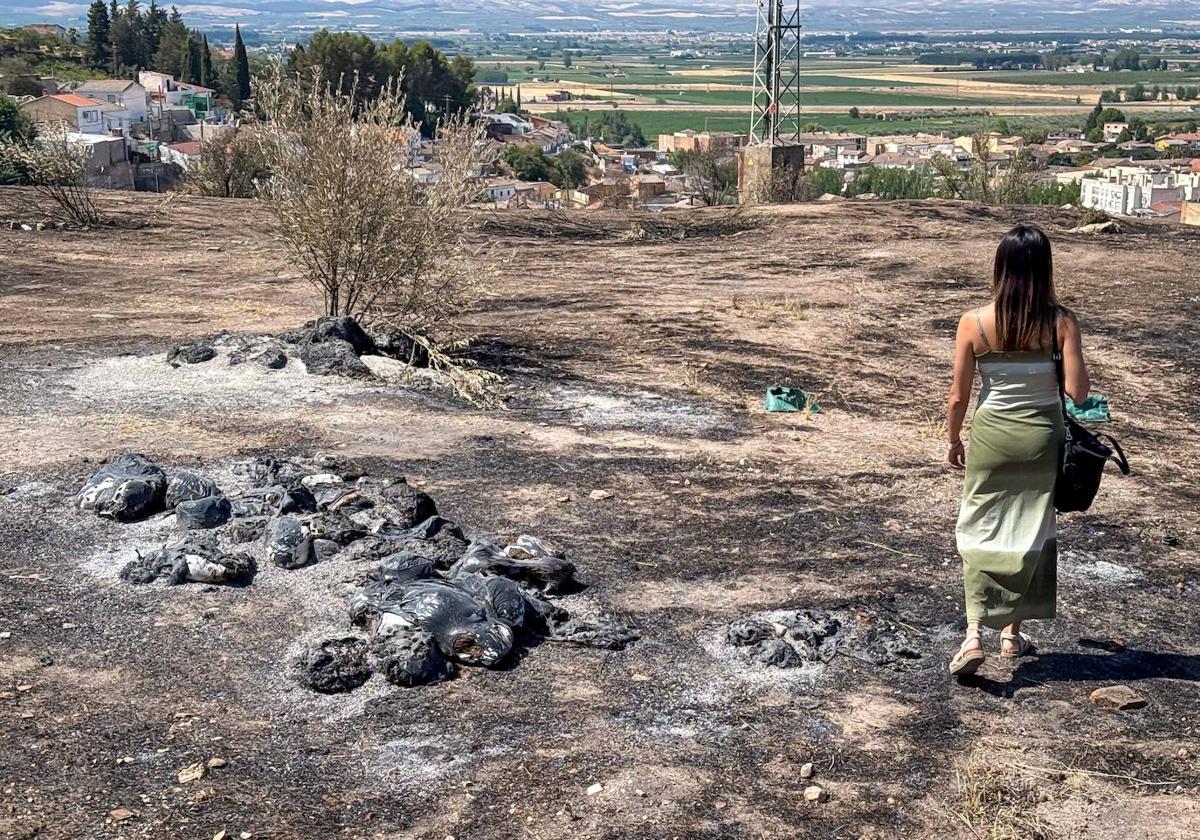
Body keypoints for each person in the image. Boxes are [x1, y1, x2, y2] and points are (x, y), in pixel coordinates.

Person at [945, 224, 1089, 676]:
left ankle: (973, 634)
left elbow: (957, 396)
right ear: (1046, 269)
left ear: (1001, 267)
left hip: (992, 437)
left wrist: (953, 440)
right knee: (1028, 531)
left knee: (980, 526)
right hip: (1041, 438)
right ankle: (1011, 634)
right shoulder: (1061, 322)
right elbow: (1079, 393)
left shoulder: (974, 322)